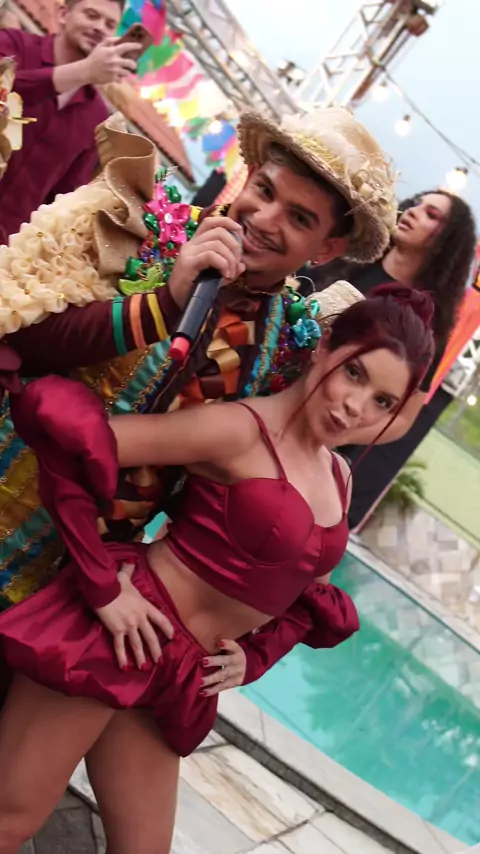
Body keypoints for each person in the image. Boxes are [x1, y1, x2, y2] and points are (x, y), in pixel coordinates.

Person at [0, 283, 435, 853]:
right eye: (354, 374)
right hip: (120, 639)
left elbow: (310, 594)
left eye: (382, 401)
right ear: (326, 346)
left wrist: (254, 656)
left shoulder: (340, 477)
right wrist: (101, 583)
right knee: (11, 819)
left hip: (182, 672)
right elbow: (74, 443)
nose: (356, 407)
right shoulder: (239, 431)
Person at [0, 105, 397, 607]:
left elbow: (213, 499)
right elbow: (21, 338)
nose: (264, 219)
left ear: (326, 249)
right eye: (265, 191)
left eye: (299, 218)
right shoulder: (133, 220)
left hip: (68, 593)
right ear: (249, 175)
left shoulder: (287, 351)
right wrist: (166, 303)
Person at [298, 189, 477, 528]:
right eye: (417, 204)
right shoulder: (348, 262)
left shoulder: (425, 325)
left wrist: (341, 432)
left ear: (448, 243)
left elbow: (404, 417)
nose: (414, 212)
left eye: (432, 215)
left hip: (312, 452)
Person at [0, 0, 142, 244]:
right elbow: (6, 88)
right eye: (91, 15)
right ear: (63, 13)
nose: (100, 27)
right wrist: (83, 71)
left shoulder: (97, 117)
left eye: (110, 24)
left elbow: (62, 201)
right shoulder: (15, 44)